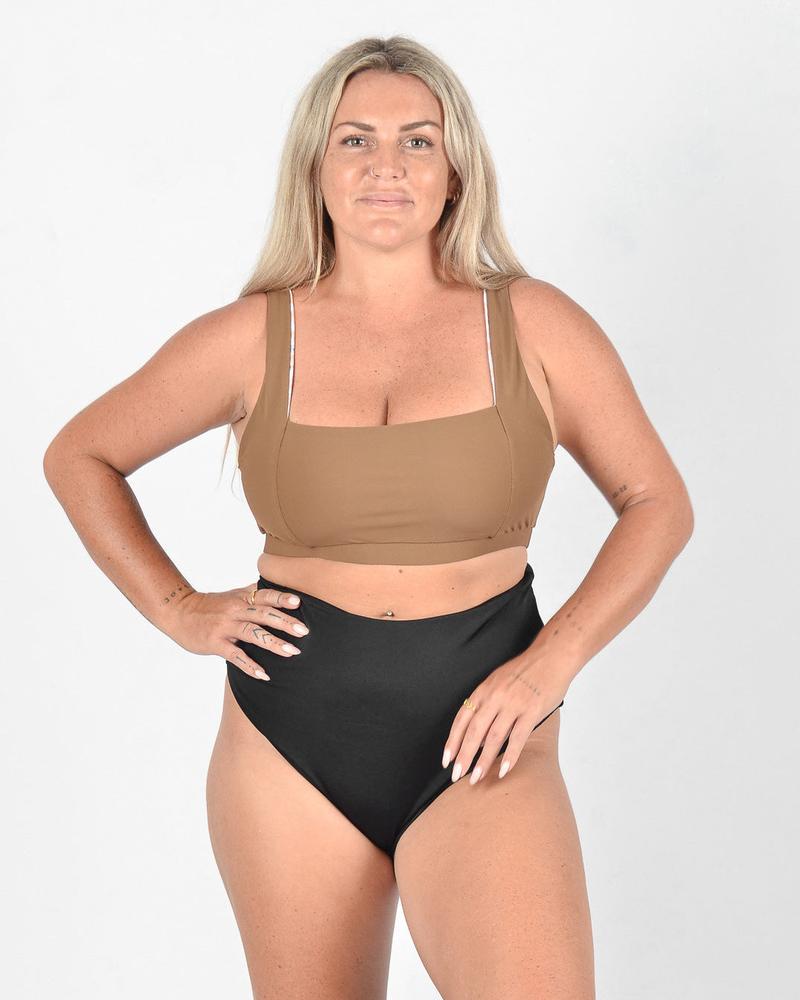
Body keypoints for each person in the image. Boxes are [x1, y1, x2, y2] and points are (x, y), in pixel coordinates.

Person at [43, 34, 693, 1000]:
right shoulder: (251, 337)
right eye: (356, 139)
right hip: (289, 736)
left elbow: (657, 503)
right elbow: (80, 455)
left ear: (455, 170)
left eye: (417, 140)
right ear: (316, 165)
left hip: (489, 724)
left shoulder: (534, 322)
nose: (386, 165)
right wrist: (178, 608)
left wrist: (549, 665)